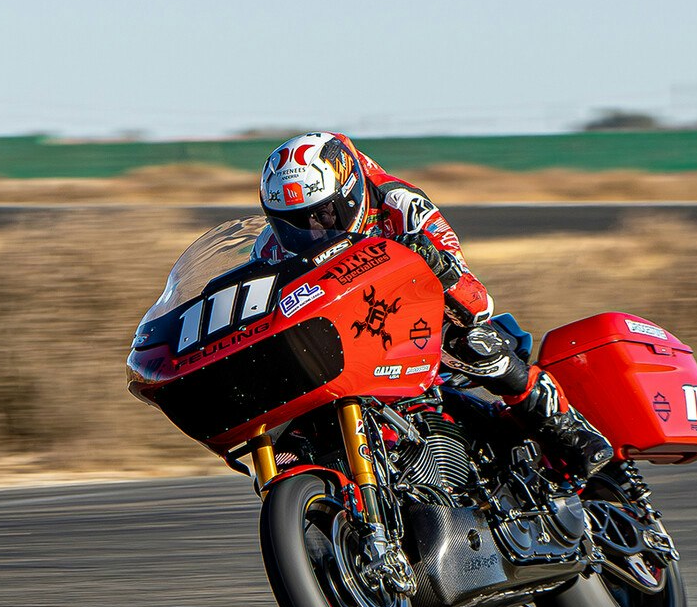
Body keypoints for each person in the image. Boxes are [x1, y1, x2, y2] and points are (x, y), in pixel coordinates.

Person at [256, 130, 615, 479]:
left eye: (323, 214)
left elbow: (476, 302)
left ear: (351, 194)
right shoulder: (270, 248)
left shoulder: (400, 204)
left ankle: (566, 430)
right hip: (339, 341)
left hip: (412, 319)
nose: (313, 230)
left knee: (474, 341)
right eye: (294, 224)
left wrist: (436, 265)